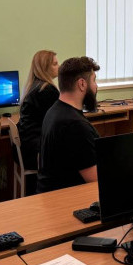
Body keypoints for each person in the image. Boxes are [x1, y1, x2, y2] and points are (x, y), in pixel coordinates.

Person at [37, 56, 100, 193]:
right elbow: (96, 179)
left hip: (49, 194)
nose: (96, 87)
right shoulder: (75, 125)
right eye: (94, 80)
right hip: (66, 199)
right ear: (82, 84)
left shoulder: (54, 111)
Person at [17, 50, 60, 194]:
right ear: (45, 67)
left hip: (26, 148)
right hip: (36, 152)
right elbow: (57, 122)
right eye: (55, 64)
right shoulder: (47, 90)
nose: (59, 66)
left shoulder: (33, 86)